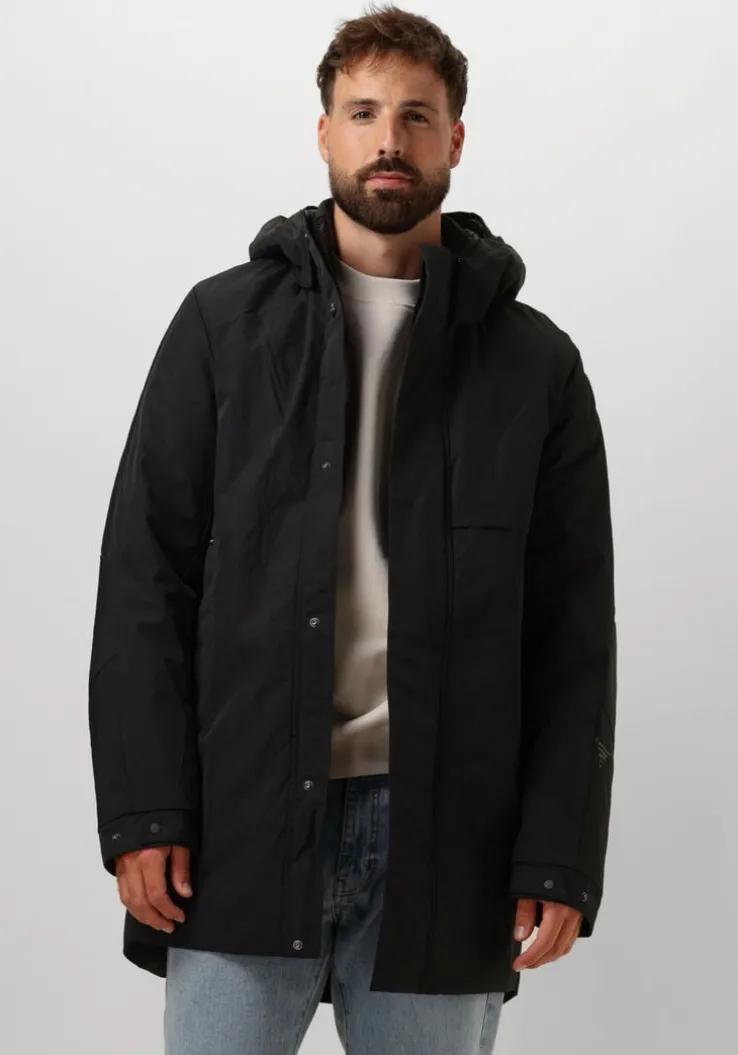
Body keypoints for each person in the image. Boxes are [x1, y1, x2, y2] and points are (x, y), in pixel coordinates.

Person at [87, 4, 617, 1053]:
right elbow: (145, 575)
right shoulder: (222, 328)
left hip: (448, 841)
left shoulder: (534, 364)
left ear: (455, 139)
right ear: (324, 131)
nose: (389, 140)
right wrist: (145, 810)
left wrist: (559, 855)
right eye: (364, 112)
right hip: (242, 824)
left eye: (416, 116)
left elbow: (573, 630)